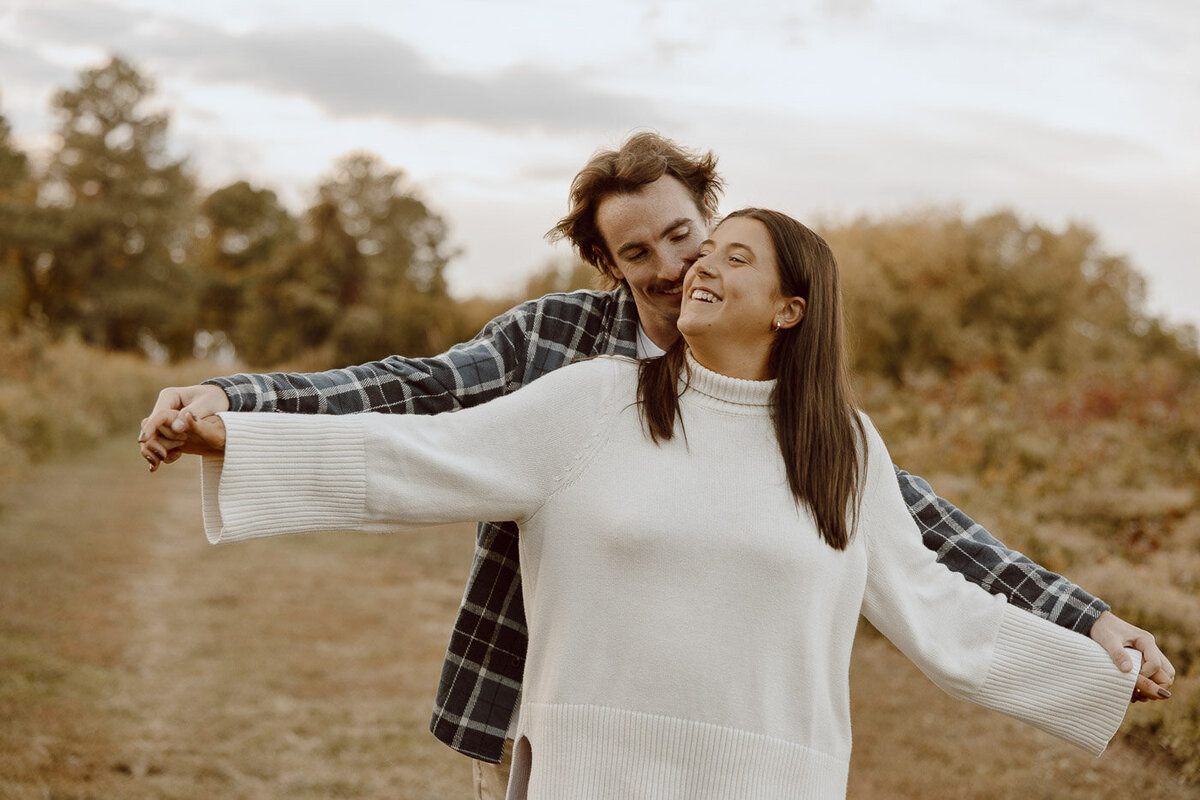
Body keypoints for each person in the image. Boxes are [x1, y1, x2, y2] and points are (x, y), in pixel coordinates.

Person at [140, 133, 1173, 792]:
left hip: (770, 773)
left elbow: (937, 578)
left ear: (788, 302)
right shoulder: (577, 376)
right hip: (569, 748)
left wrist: (1089, 644)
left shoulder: (835, 441)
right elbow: (413, 428)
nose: (682, 269)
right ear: (611, 262)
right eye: (650, 255)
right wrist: (239, 412)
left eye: (707, 242)